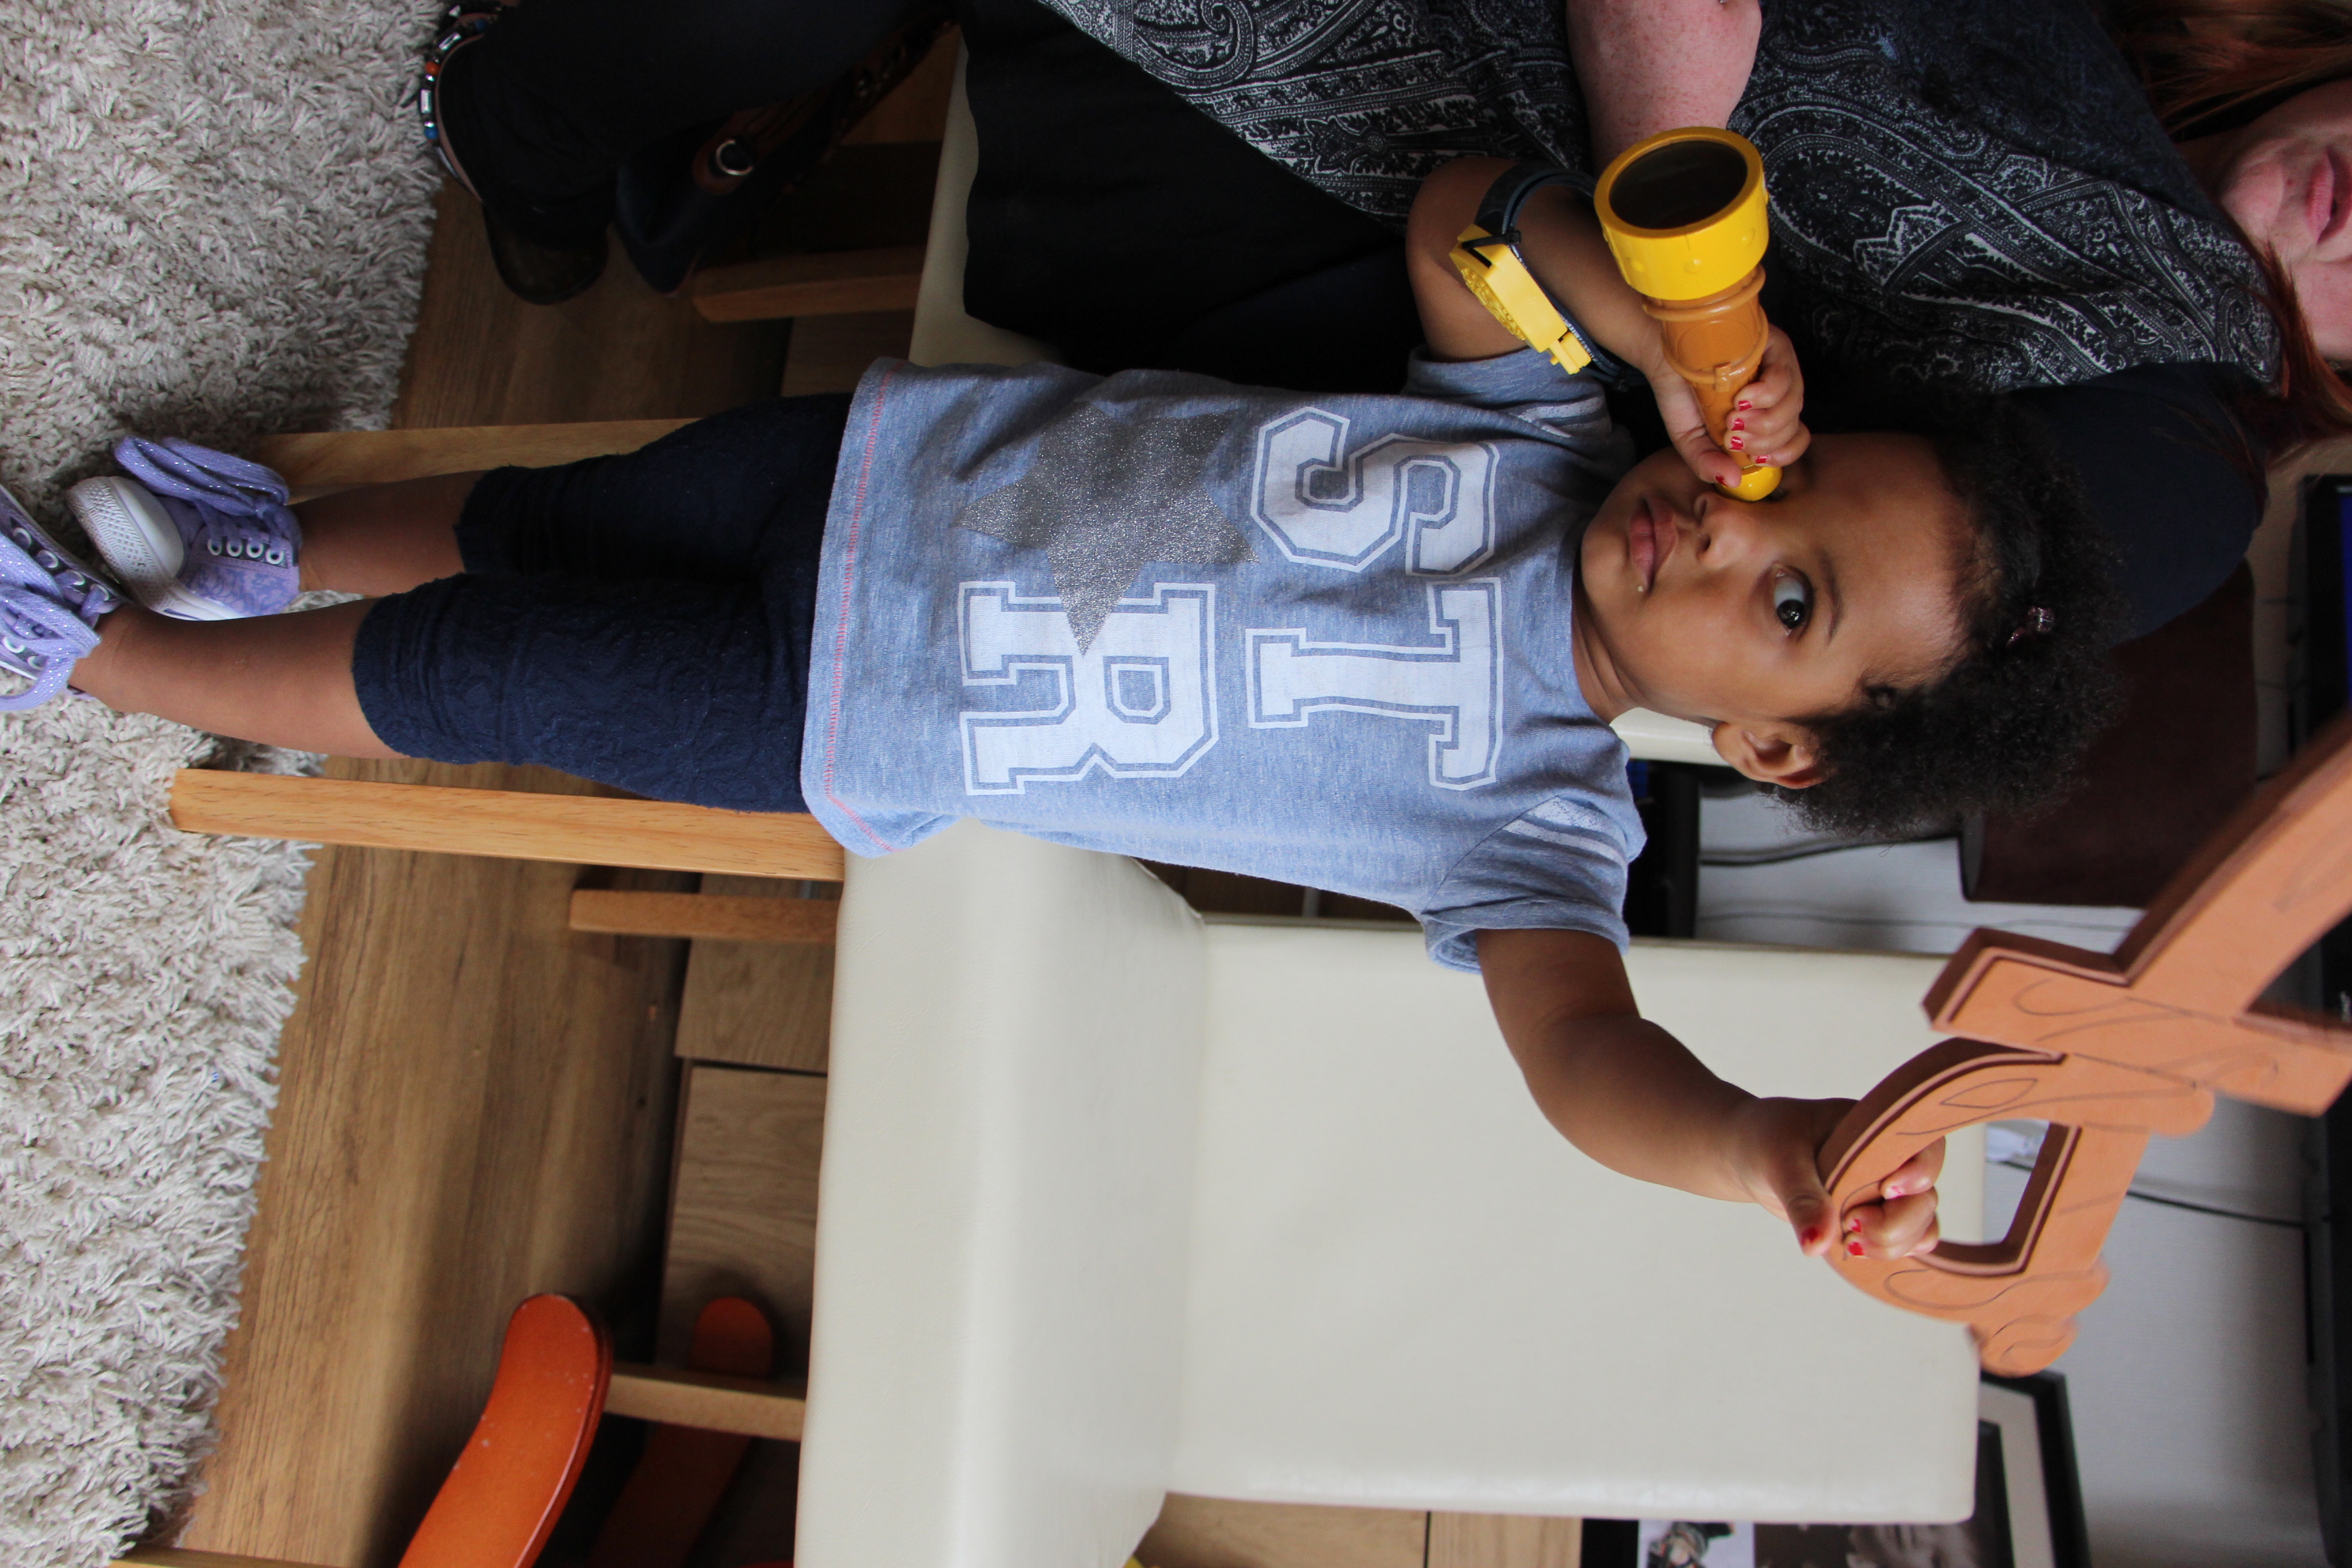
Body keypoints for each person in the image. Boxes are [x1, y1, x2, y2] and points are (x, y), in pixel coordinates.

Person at [0, 157, 2125, 1265]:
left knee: (473, 671)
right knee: (552, 516)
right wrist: (1660, 340)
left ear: (1775, 748)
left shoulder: (1539, 826)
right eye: (1778, 485)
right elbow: (1456, 211)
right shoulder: (1541, 430)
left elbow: (1586, 1060)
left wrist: (1756, 1148)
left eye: (1788, 601)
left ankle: (105, 655)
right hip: (861, 468)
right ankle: (276, 541)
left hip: (835, 709)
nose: (1722, 528)